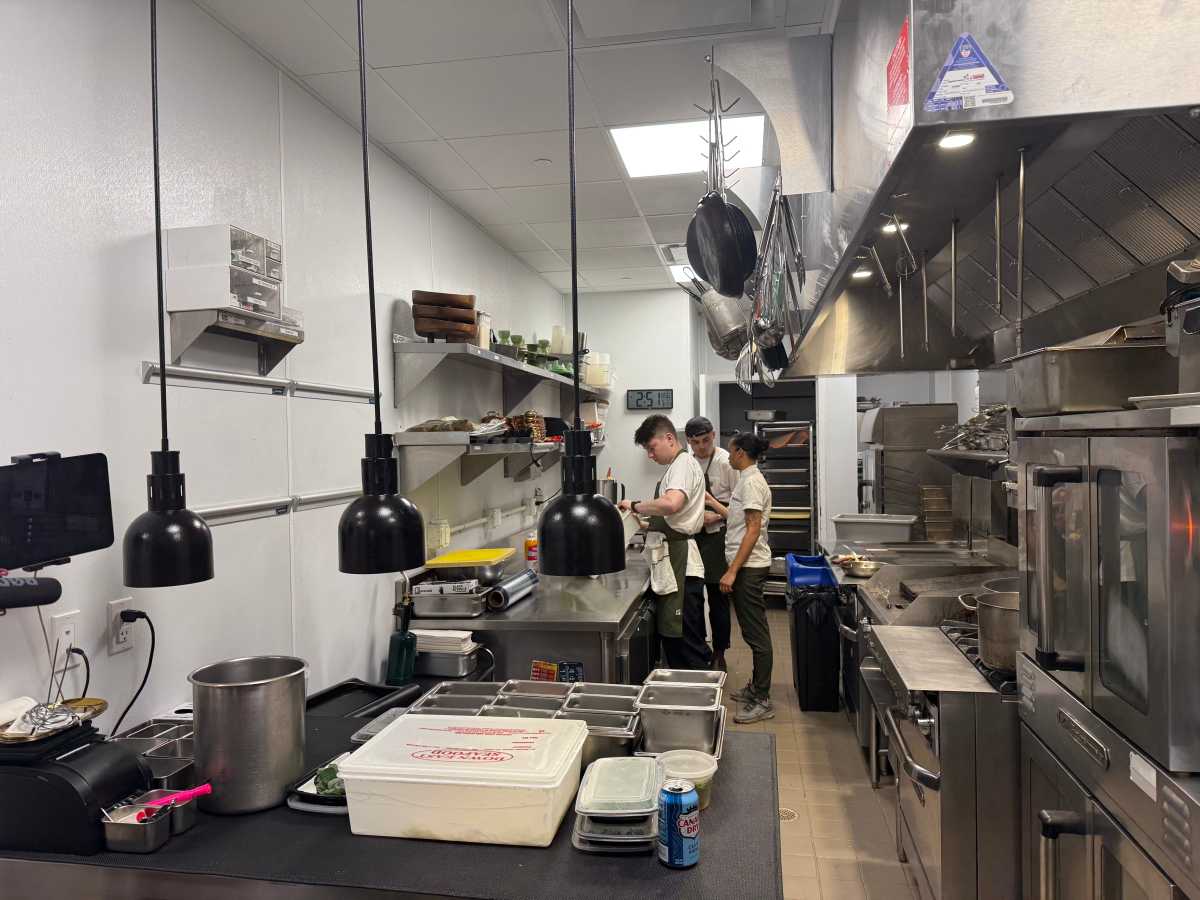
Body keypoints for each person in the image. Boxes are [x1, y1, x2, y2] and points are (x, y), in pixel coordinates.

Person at [619, 415, 712, 670]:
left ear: (669, 438)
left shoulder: (682, 465)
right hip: (676, 562)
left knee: (686, 644)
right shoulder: (679, 466)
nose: (650, 455)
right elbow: (676, 517)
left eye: (651, 447)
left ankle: (700, 703)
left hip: (681, 567)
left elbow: (672, 505)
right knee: (679, 642)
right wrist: (646, 524)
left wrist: (635, 504)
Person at [708, 432, 775, 723]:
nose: (729, 456)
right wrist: (711, 501)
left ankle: (762, 698)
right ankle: (755, 690)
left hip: (749, 567)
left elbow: (752, 530)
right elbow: (736, 519)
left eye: (732, 451)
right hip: (745, 565)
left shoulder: (751, 484)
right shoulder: (747, 481)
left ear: (741, 453)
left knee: (756, 635)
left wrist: (732, 570)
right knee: (751, 632)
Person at [684, 416, 738, 672]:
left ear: (713, 436)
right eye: (695, 443)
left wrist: (714, 515)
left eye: (705, 441)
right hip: (694, 537)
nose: (701, 447)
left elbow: (739, 505)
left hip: (718, 536)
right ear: (689, 442)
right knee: (693, 596)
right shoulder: (687, 462)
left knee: (718, 598)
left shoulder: (727, 462)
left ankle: (720, 651)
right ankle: (698, 649)